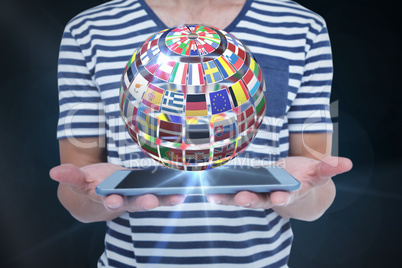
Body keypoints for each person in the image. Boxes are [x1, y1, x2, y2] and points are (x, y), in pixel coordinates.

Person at [50, 0, 353, 267]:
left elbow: (319, 193)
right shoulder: (89, 29)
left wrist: (301, 190)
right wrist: (93, 196)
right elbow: (75, 188)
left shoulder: (303, 27)